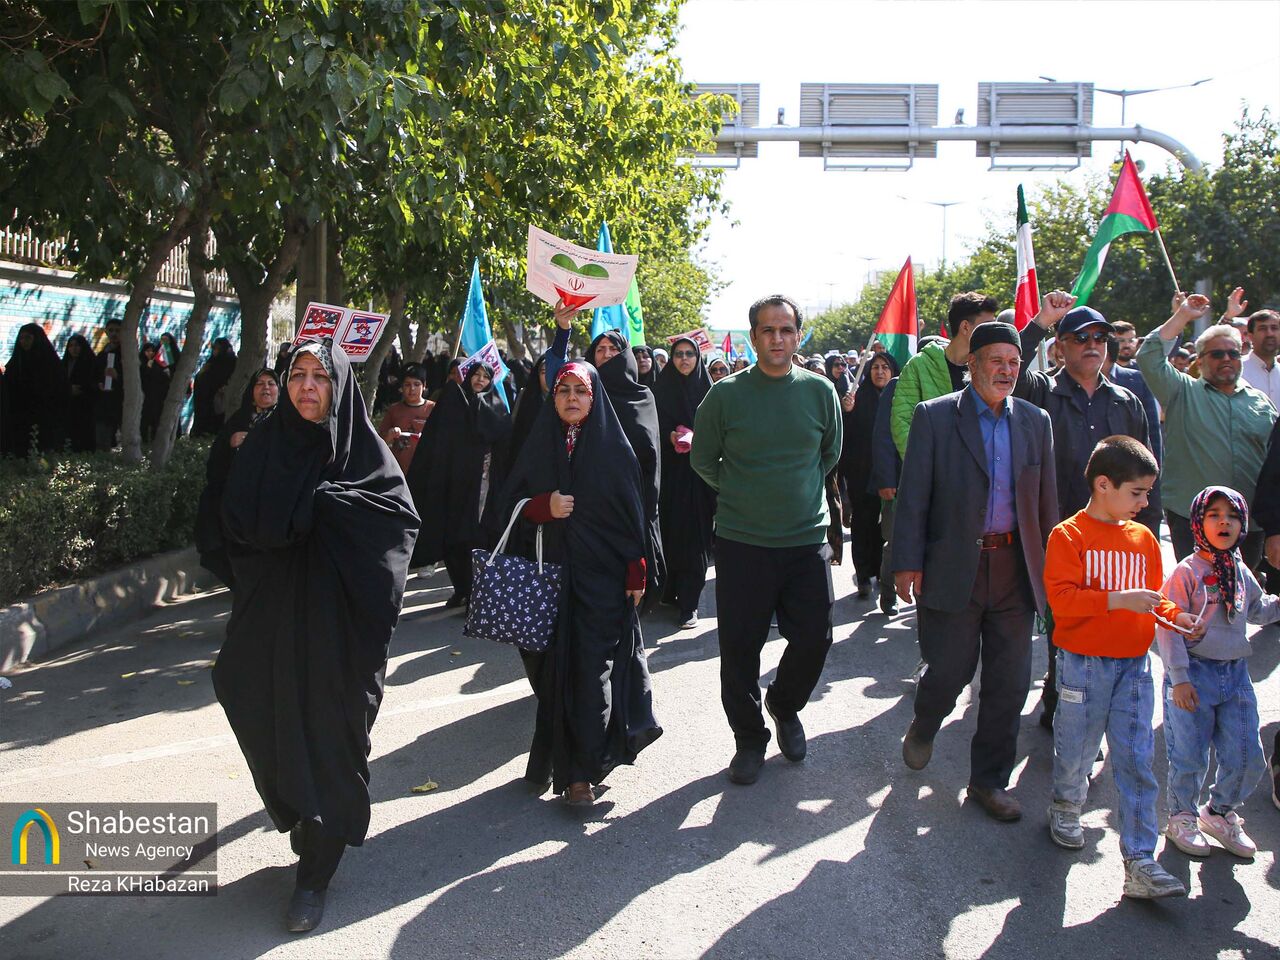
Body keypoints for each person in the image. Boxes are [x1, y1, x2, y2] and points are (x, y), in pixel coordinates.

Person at [214, 340, 419, 933]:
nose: (307, 387)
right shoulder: (263, 452)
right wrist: (289, 517)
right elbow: (234, 526)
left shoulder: (363, 458)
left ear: (339, 387)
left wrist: (328, 509)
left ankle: (315, 874)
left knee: (331, 734)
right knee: (253, 702)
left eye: (319, 377)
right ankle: (302, 815)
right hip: (272, 620)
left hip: (339, 632)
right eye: (296, 375)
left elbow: (396, 528)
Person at [893, 321, 1057, 822]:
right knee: (949, 671)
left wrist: (1052, 570)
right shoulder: (935, 417)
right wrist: (906, 563)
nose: (1006, 371)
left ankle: (988, 782)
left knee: (1009, 681)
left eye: (1014, 362)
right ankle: (925, 721)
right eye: (996, 361)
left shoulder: (1035, 422)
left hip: (1014, 569)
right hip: (952, 566)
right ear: (971, 365)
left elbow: (1046, 502)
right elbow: (914, 495)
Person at [691, 294, 842, 786]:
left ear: (798, 336)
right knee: (739, 649)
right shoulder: (725, 396)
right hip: (742, 542)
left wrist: (795, 495)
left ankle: (784, 703)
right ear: (753, 336)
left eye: (787, 330)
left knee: (816, 638)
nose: (778, 339)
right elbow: (702, 460)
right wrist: (742, 493)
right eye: (768, 330)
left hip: (805, 540)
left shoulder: (820, 392)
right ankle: (749, 739)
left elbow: (828, 454)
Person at [497, 361, 661, 806]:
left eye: (580, 391)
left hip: (601, 581)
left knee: (591, 672)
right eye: (563, 390)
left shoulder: (613, 447)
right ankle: (557, 758)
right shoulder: (538, 445)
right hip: (546, 578)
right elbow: (507, 504)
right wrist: (540, 507)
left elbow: (633, 513)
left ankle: (580, 774)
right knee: (553, 674)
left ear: (594, 397)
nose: (571, 398)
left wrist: (636, 570)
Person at [1042, 436, 1198, 898]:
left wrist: (1175, 615)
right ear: (1103, 484)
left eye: (1149, 493)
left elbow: (1154, 597)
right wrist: (1116, 600)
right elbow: (1062, 603)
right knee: (1077, 749)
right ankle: (1066, 806)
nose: (1146, 502)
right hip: (1082, 665)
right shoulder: (1068, 535)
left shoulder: (1144, 538)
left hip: (1134, 667)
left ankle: (1139, 860)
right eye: (1138, 492)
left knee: (1136, 760)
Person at [1015, 295, 1162, 728]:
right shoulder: (1041, 390)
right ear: (1060, 347)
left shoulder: (1126, 401)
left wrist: (1145, 531)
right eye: (1081, 337)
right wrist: (1041, 321)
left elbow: (1146, 469)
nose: (1093, 344)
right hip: (1057, 529)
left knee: (1104, 617)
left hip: (1114, 535)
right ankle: (1063, 702)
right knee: (1067, 617)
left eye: (1101, 337)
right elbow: (1006, 364)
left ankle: (1073, 701)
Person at [1157, 486, 1280, 861]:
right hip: (1194, 674)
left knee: (1246, 754)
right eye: (1214, 515)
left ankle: (1220, 812)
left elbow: (1259, 610)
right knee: (1189, 755)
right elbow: (1167, 623)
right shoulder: (1187, 572)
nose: (1224, 522)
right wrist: (1179, 678)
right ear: (1198, 522)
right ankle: (1182, 817)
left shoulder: (1240, 570)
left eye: (1232, 516)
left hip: (1235, 675)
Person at [1137, 293, 1275, 565]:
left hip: (1249, 524)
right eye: (1217, 353)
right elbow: (1150, 356)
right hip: (1192, 521)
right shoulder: (1181, 392)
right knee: (1199, 602)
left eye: (1233, 353)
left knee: (1244, 603)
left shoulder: (1261, 403)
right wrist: (1184, 315)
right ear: (1199, 361)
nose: (1226, 358)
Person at [547, 307, 665, 611]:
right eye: (600, 349)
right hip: (582, 511)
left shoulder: (642, 397)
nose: (607, 354)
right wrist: (563, 329)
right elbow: (555, 376)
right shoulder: (584, 392)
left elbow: (649, 459)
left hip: (624, 509)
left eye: (614, 348)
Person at [407, 360, 511, 603]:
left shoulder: (497, 406)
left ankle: (479, 593)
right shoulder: (454, 403)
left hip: (484, 489)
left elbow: (502, 438)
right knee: (454, 538)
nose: (480, 380)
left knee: (479, 538)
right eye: (476, 375)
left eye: (485, 376)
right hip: (455, 485)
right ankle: (462, 589)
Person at [196, 368, 280, 588]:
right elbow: (217, 462)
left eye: (271, 383)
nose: (266, 389)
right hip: (238, 498)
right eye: (260, 384)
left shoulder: (287, 419)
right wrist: (231, 443)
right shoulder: (239, 419)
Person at [654, 336, 717, 628]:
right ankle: (670, 590)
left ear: (697, 358)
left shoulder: (711, 393)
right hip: (668, 477)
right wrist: (669, 436)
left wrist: (698, 438)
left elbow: (721, 430)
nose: (684, 359)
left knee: (695, 538)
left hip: (699, 478)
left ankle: (689, 603)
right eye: (678, 354)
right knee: (670, 534)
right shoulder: (659, 390)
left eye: (689, 354)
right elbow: (649, 427)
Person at [890, 292, 998, 459]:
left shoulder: (987, 367)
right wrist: (926, 467)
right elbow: (902, 422)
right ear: (965, 327)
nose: (993, 333)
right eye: (987, 326)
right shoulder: (919, 365)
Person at [844, 352, 898, 600]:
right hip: (861, 475)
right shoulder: (858, 398)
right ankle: (863, 575)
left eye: (885, 367)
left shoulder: (900, 399)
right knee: (863, 525)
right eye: (875, 367)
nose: (879, 372)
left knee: (886, 529)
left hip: (890, 476)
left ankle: (882, 574)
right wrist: (847, 412)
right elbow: (844, 437)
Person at [1, 323, 67, 456]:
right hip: (20, 418)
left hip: (44, 417)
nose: (24, 342)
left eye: (28, 338)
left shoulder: (51, 364)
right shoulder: (16, 362)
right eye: (21, 338)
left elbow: (59, 391)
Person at [377, 362, 435, 474]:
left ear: (424, 386)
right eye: (407, 384)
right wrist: (390, 435)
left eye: (416, 384)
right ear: (401, 387)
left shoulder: (433, 409)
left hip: (426, 470)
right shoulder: (394, 410)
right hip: (398, 471)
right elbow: (380, 443)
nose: (412, 389)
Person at [507, 351, 551, 467]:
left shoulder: (568, 400)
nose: (548, 377)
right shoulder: (525, 396)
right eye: (544, 372)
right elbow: (515, 428)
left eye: (553, 372)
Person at [191, 337, 237, 437]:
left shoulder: (232, 362)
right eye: (214, 348)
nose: (214, 351)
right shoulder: (211, 362)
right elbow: (201, 378)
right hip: (206, 398)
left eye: (217, 348)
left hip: (221, 398)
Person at [62, 333, 98, 452]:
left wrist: (82, 388)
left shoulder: (90, 362)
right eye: (71, 346)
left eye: (77, 345)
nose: (74, 348)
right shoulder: (64, 363)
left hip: (85, 405)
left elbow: (94, 382)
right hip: (68, 405)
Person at [1240, 308, 1280, 409]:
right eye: (1262, 329)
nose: (1269, 334)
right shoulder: (1237, 370)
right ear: (1250, 336)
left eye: (1274, 328)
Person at [94, 318, 124, 450]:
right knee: (102, 439)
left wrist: (118, 376)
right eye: (111, 331)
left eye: (117, 331)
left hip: (121, 403)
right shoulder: (103, 354)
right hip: (104, 403)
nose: (114, 334)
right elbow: (94, 374)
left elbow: (136, 379)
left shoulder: (127, 354)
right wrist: (98, 384)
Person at [139, 341, 171, 444]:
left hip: (156, 399)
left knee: (155, 421)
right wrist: (147, 368)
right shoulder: (141, 364)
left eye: (152, 351)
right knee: (144, 422)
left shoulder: (158, 365)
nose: (150, 353)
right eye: (147, 351)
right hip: (144, 398)